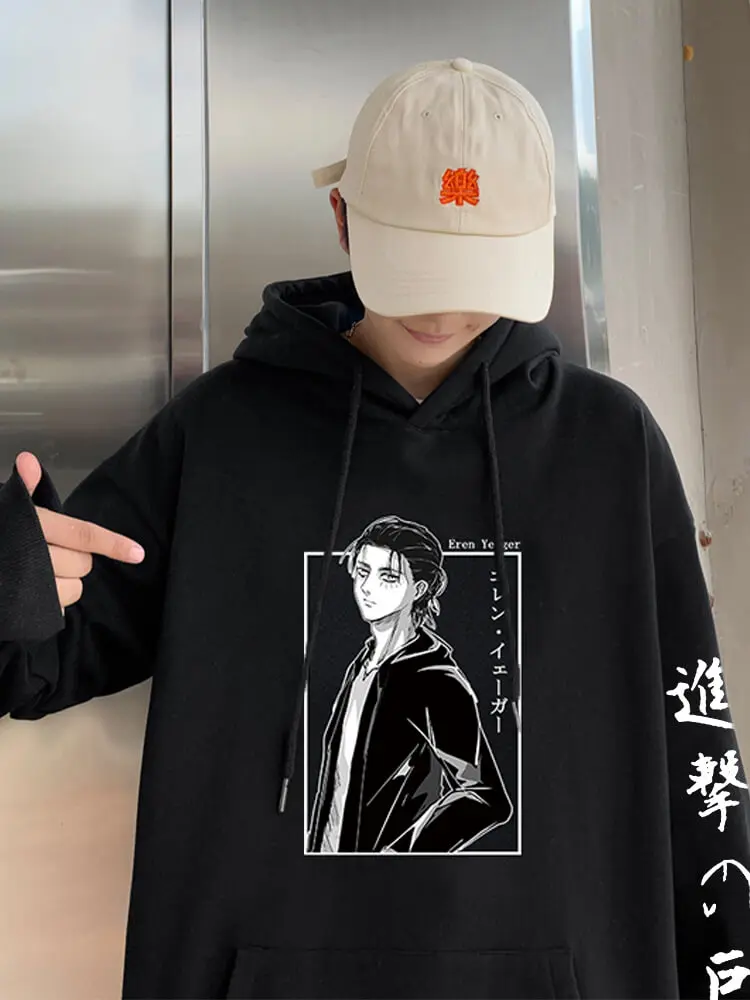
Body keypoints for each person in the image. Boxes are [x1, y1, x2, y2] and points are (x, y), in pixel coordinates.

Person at [1, 55, 749, 1000]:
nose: (443, 308)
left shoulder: (610, 446)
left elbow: (693, 742)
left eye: (474, 271)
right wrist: (11, 575)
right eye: (416, 266)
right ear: (344, 218)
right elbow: (33, 663)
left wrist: (728, 965)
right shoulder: (220, 432)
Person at [308, 515, 513, 854]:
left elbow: (486, 797)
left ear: (418, 589)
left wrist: (403, 853)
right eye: (362, 571)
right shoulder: (360, 667)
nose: (367, 587)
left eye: (388, 577)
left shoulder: (435, 680)